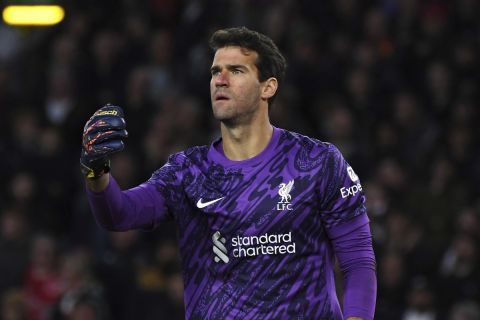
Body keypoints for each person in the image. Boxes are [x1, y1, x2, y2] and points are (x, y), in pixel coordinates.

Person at [80, 26, 377, 319]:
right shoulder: (188, 171)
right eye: (214, 72)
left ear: (268, 87)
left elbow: (358, 261)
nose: (220, 81)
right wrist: (96, 170)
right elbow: (118, 214)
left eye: (235, 71)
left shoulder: (317, 162)